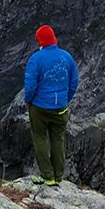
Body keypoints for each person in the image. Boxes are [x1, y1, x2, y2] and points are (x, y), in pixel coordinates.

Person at [25, 25, 78, 186]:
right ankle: (59, 175)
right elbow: (73, 82)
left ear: (40, 41)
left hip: (40, 106)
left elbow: (30, 86)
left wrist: (29, 101)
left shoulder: (36, 59)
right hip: (61, 107)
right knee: (58, 139)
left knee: (40, 138)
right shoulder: (67, 57)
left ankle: (47, 176)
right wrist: (65, 99)